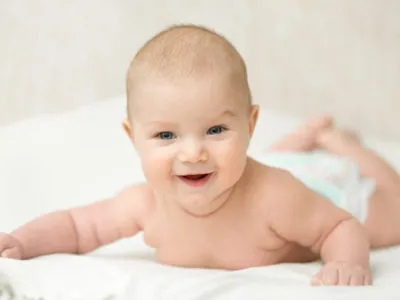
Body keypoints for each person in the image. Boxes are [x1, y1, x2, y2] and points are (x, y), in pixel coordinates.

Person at [1, 24, 400, 286]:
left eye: (215, 129)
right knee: (251, 162)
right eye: (166, 135)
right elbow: (76, 227)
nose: (192, 152)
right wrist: (21, 242)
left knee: (391, 221)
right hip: (268, 168)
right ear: (133, 136)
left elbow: (340, 227)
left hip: (319, 190)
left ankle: (341, 143)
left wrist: (349, 262)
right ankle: (305, 136)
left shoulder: (276, 197)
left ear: (250, 124)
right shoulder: (144, 204)